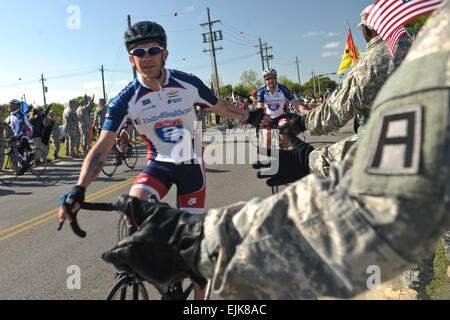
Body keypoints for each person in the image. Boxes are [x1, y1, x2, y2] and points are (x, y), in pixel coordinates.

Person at [98, 1, 450, 300]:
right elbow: (248, 104)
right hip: (272, 126)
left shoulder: (286, 87)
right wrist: (260, 114)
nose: (268, 83)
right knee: (273, 147)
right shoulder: (263, 92)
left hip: (288, 126)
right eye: (266, 80)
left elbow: (297, 103)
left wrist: (297, 123)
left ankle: (293, 170)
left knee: (289, 156)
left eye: (270, 79)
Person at [58, 20, 268, 300]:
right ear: (131, 59)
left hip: (191, 166)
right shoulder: (125, 100)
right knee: (133, 206)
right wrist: (79, 189)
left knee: (196, 248)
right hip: (159, 163)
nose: (147, 57)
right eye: (139, 52)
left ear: (164, 54)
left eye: (153, 50)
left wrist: (250, 116)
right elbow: (101, 148)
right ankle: (153, 269)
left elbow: (220, 105)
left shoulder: (188, 83)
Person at [286, 4, 412, 178]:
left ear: (368, 30)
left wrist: (301, 127)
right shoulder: (424, 42)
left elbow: (333, 112)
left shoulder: (371, 64)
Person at [257, 68, 309, 150]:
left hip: (281, 117)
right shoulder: (261, 91)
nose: (270, 80)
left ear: (276, 78)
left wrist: (308, 113)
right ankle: (268, 161)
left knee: (285, 135)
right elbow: (260, 107)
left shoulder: (282, 88)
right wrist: (259, 119)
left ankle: (285, 153)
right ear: (264, 81)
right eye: (267, 79)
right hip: (268, 118)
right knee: (267, 143)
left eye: (273, 78)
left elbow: (295, 104)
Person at [7, 99, 34, 175]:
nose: (10, 106)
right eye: (9, 104)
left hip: (27, 131)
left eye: (12, 105)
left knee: (23, 141)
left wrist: (16, 135)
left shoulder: (19, 114)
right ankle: (23, 166)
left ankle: (32, 152)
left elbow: (21, 125)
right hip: (18, 133)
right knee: (19, 149)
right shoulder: (12, 114)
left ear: (16, 106)